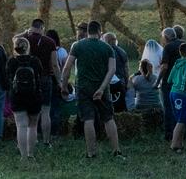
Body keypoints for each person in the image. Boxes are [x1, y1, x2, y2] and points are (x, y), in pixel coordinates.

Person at [64, 21, 123, 159]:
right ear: (99, 31)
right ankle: (116, 150)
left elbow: (67, 67)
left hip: (83, 87)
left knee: (88, 119)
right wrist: (102, 88)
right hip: (102, 88)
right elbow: (112, 69)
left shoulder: (77, 46)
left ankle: (91, 153)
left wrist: (63, 85)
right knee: (108, 118)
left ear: (88, 31)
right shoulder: (107, 48)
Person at [17, 19, 59, 146]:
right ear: (42, 27)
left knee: (27, 111)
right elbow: (55, 65)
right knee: (45, 111)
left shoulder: (23, 39)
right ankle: (46, 141)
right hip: (45, 77)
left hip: (26, 79)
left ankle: (29, 139)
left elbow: (14, 39)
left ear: (32, 26)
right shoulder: (50, 41)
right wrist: (60, 81)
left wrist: (23, 32)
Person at [6, 37, 43, 159]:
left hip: (17, 96)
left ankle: (23, 156)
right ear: (28, 47)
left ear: (16, 48)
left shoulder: (12, 61)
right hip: (34, 95)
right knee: (32, 125)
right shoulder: (35, 61)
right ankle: (30, 154)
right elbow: (40, 76)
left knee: (21, 126)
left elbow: (7, 78)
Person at [165, 42, 186, 152]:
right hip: (181, 94)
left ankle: (180, 143)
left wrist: (177, 82)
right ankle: (174, 144)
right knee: (182, 119)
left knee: (179, 118)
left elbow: (169, 79)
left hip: (172, 92)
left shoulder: (176, 64)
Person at [154, 28, 180, 142]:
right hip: (181, 81)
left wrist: (157, 81)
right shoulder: (184, 44)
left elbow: (164, 67)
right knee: (179, 107)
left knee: (168, 109)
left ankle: (169, 135)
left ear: (166, 37)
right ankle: (181, 134)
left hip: (169, 82)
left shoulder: (168, 47)